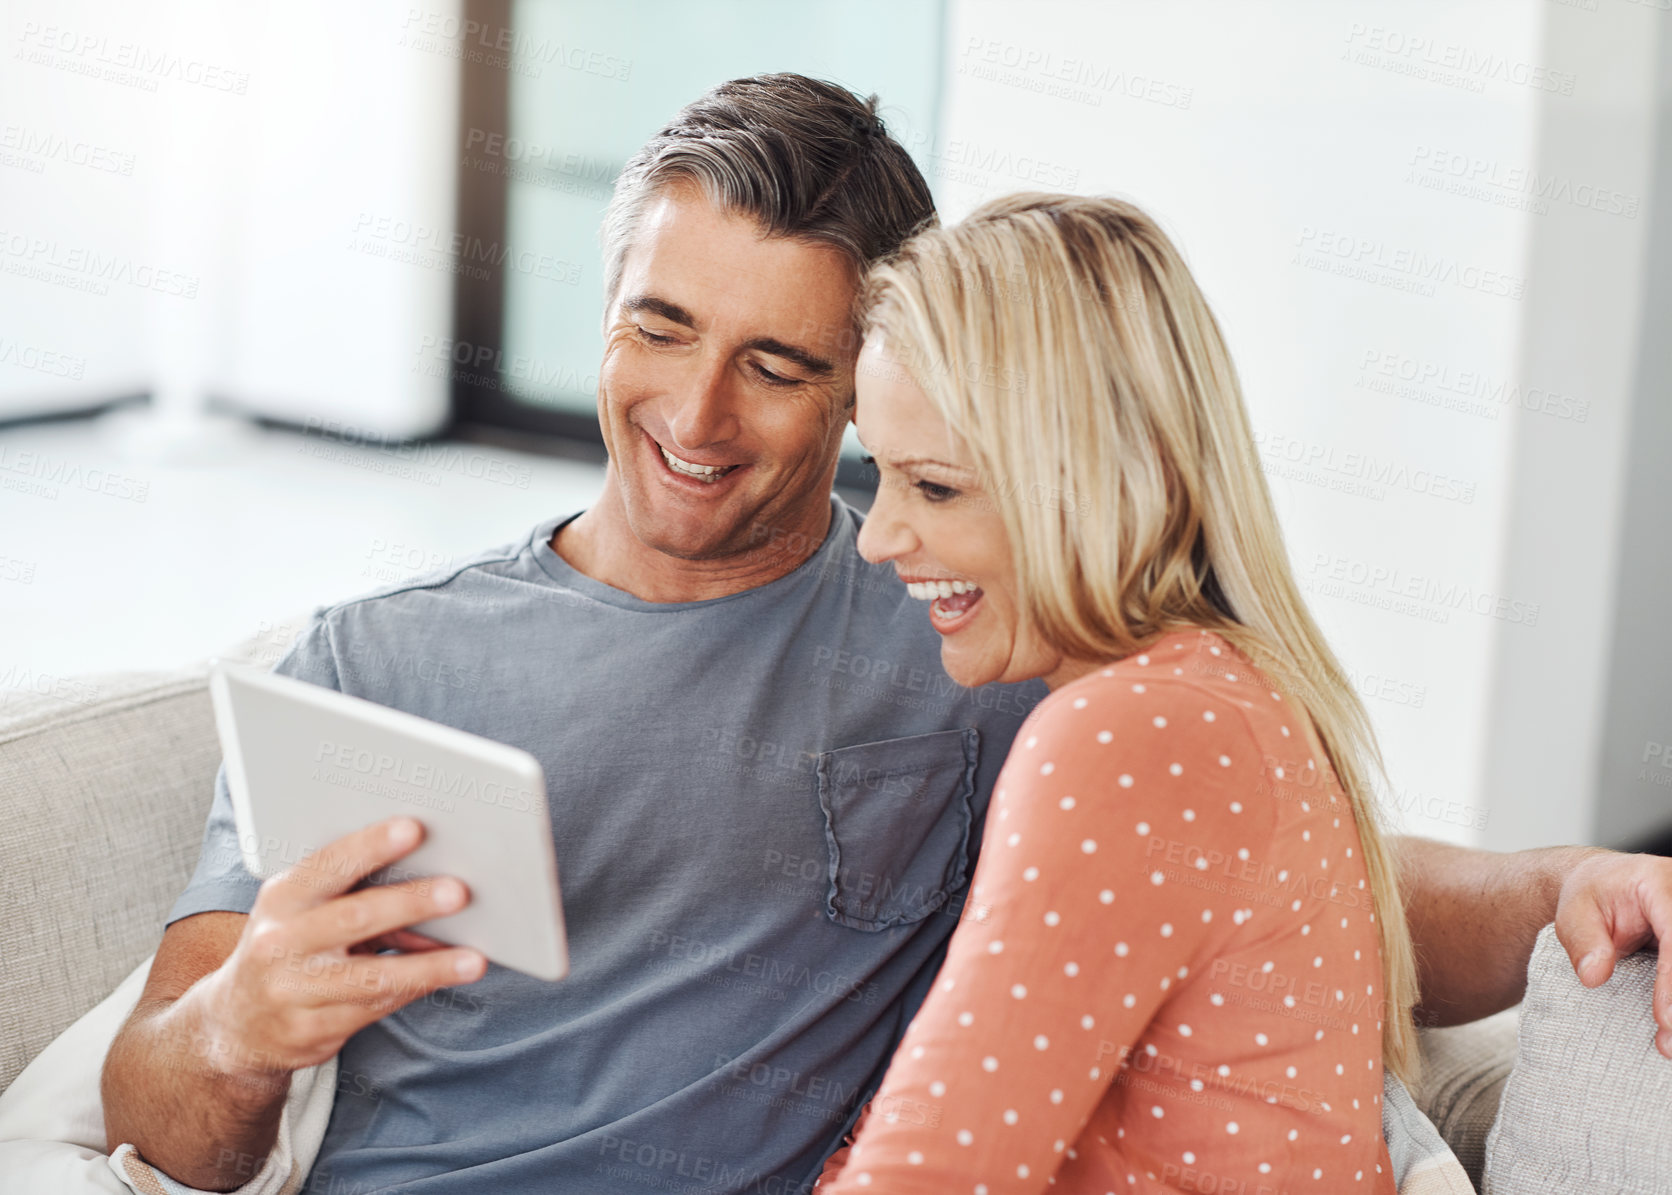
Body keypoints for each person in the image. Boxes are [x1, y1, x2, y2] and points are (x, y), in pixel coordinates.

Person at [99, 74, 1672, 1195]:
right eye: (659, 328)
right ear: (606, 311)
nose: (694, 414)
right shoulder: (369, 666)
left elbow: (1257, 869)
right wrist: (239, 1027)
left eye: (776, 363)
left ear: (870, 386)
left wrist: (1558, 888)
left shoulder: (967, 644)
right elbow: (160, 1113)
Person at [819, 193, 1415, 1192]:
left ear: (1111, 476)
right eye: (877, 473)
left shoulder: (1128, 734)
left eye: (935, 486)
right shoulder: (1224, 698)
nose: (876, 536)